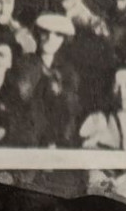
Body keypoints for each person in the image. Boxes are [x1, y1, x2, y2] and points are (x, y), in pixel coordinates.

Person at [6, 13, 80, 147]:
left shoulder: (68, 72)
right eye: (45, 33)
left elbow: (70, 111)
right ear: (37, 34)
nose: (50, 39)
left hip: (56, 140)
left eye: (58, 35)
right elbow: (22, 96)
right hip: (27, 138)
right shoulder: (24, 63)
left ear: (64, 39)